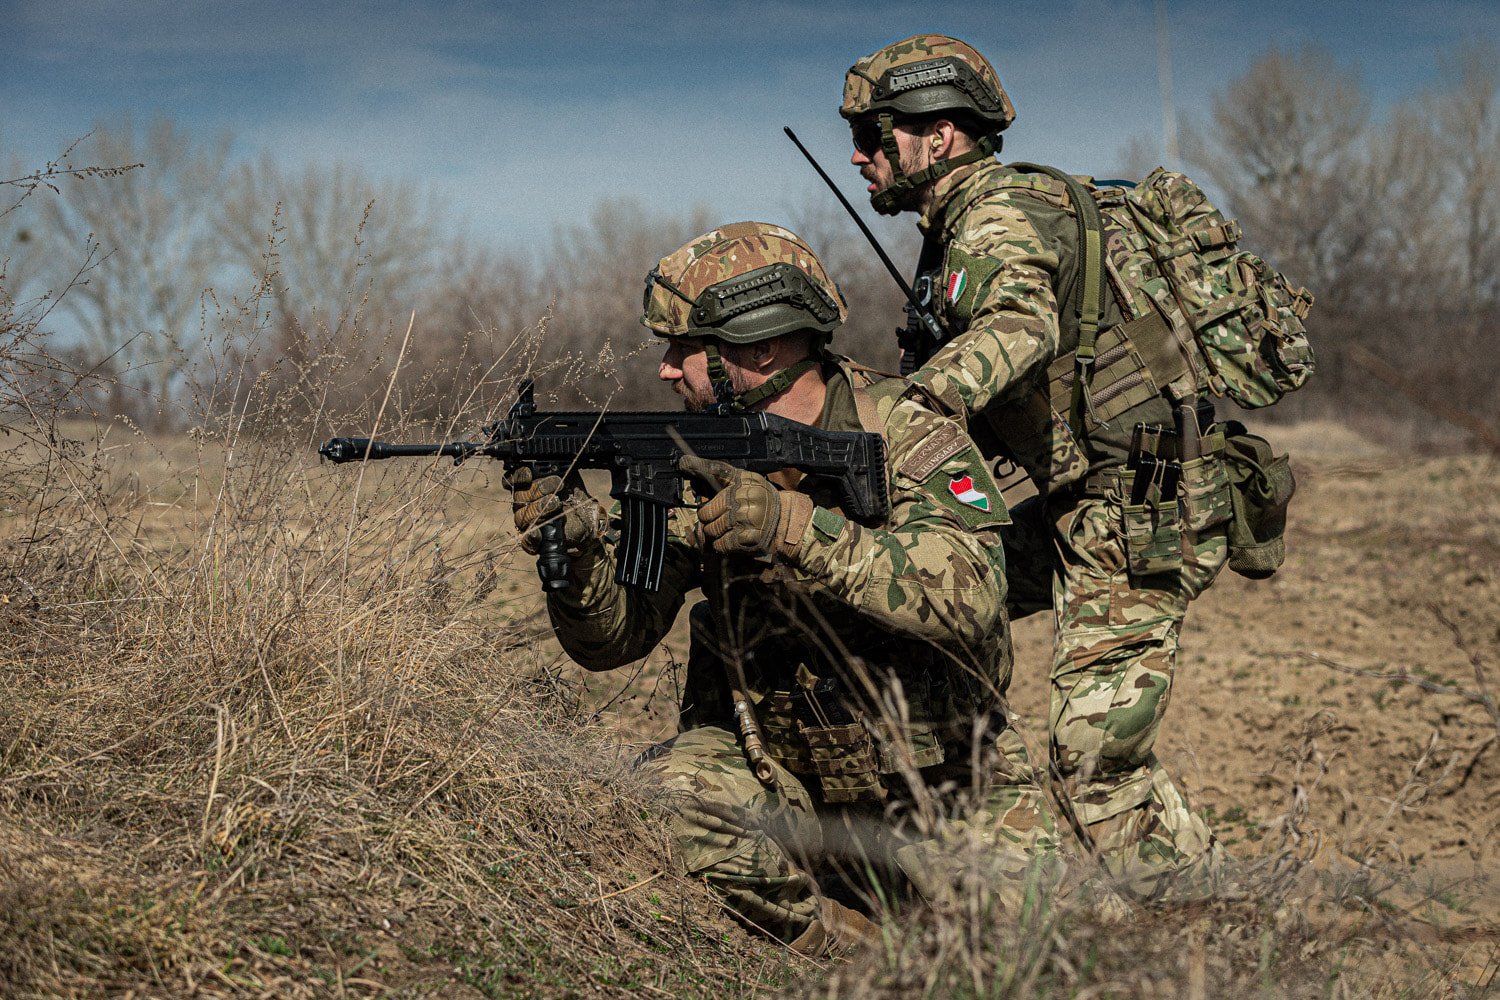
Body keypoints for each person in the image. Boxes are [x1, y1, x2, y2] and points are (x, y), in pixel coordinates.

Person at [506, 221, 1059, 954]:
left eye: (681, 347)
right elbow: (615, 640)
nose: (666, 370)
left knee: (1036, 954)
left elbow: (972, 593)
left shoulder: (905, 429)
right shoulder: (691, 455)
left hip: (944, 785)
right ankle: (842, 946)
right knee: (663, 801)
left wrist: (793, 528)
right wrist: (576, 554)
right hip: (780, 777)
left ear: (759, 348)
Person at [839, 35, 1231, 901]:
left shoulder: (997, 212)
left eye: (874, 136)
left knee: (1095, 759)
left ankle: (1214, 933)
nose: (860, 156)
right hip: (1064, 492)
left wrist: (917, 407)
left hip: (1139, 498)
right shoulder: (960, 224)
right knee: (923, 622)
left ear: (938, 136)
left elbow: (1022, 326)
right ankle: (1016, 880)